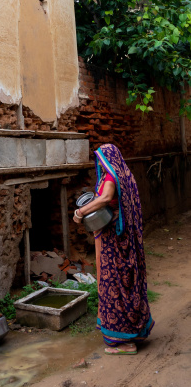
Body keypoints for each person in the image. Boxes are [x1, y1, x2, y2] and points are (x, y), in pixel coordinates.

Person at [73, 143, 154, 355]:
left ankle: (125, 341)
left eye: (100, 159)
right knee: (126, 283)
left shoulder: (110, 178)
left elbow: (106, 198)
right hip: (123, 238)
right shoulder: (125, 174)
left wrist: (81, 212)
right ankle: (134, 330)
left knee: (114, 284)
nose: (99, 163)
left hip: (116, 241)